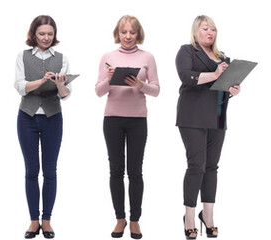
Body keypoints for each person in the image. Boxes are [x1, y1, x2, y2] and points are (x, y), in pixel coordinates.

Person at [174, 15, 240, 240]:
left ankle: (208, 215)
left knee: (212, 167)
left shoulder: (223, 58)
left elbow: (223, 87)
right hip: (192, 116)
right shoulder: (187, 51)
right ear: (196, 31)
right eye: (205, 28)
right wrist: (215, 74)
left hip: (217, 116)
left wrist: (232, 90)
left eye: (213, 29)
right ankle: (189, 216)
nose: (210, 32)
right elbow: (186, 77)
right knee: (196, 166)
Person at [96, 15, 160, 240]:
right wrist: (111, 79)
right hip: (112, 119)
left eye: (132, 32)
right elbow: (98, 91)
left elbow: (156, 90)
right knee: (115, 170)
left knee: (135, 171)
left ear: (138, 34)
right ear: (118, 33)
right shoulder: (108, 57)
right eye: (124, 32)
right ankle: (119, 219)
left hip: (137, 121)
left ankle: (135, 220)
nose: (128, 36)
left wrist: (140, 85)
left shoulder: (147, 57)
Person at [16, 14, 71, 240]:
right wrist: (41, 81)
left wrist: (59, 85)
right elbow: (20, 87)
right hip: (27, 117)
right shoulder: (22, 56)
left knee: (50, 171)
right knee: (31, 171)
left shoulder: (62, 58)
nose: (46, 37)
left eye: (50, 34)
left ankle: (46, 221)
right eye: (42, 34)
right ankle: (33, 221)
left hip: (52, 118)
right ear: (34, 34)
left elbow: (66, 95)